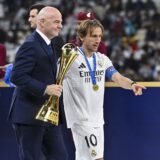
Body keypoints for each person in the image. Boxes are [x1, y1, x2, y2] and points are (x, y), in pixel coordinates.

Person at [62, 19, 146, 160]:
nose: (98, 40)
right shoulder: (70, 58)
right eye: (93, 36)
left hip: (98, 120)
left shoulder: (102, 59)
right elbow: (51, 73)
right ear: (81, 37)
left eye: (100, 36)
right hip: (80, 119)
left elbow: (118, 78)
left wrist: (132, 84)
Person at [8, 6, 67, 160]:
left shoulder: (49, 44)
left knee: (60, 156)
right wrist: (45, 88)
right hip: (29, 115)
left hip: (47, 115)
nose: (60, 25)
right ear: (42, 22)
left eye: (60, 22)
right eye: (56, 22)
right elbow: (17, 76)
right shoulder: (31, 44)